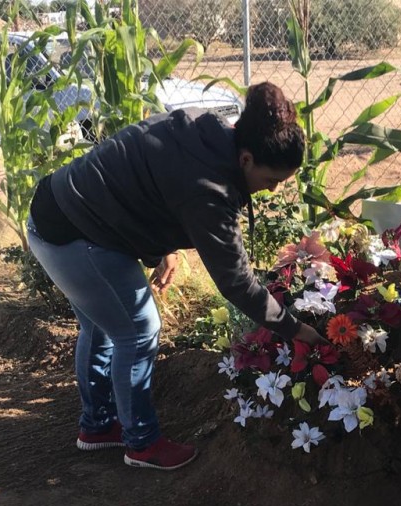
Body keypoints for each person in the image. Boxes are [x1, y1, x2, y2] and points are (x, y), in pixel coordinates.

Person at [27, 82, 326, 471]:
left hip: (59, 209)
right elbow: (236, 282)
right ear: (248, 159)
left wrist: (162, 248)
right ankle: (141, 444)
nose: (271, 190)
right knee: (137, 330)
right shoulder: (211, 190)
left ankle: (98, 427)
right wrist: (297, 330)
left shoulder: (207, 129)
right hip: (74, 235)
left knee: (101, 325)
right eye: (271, 180)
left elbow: (152, 171)